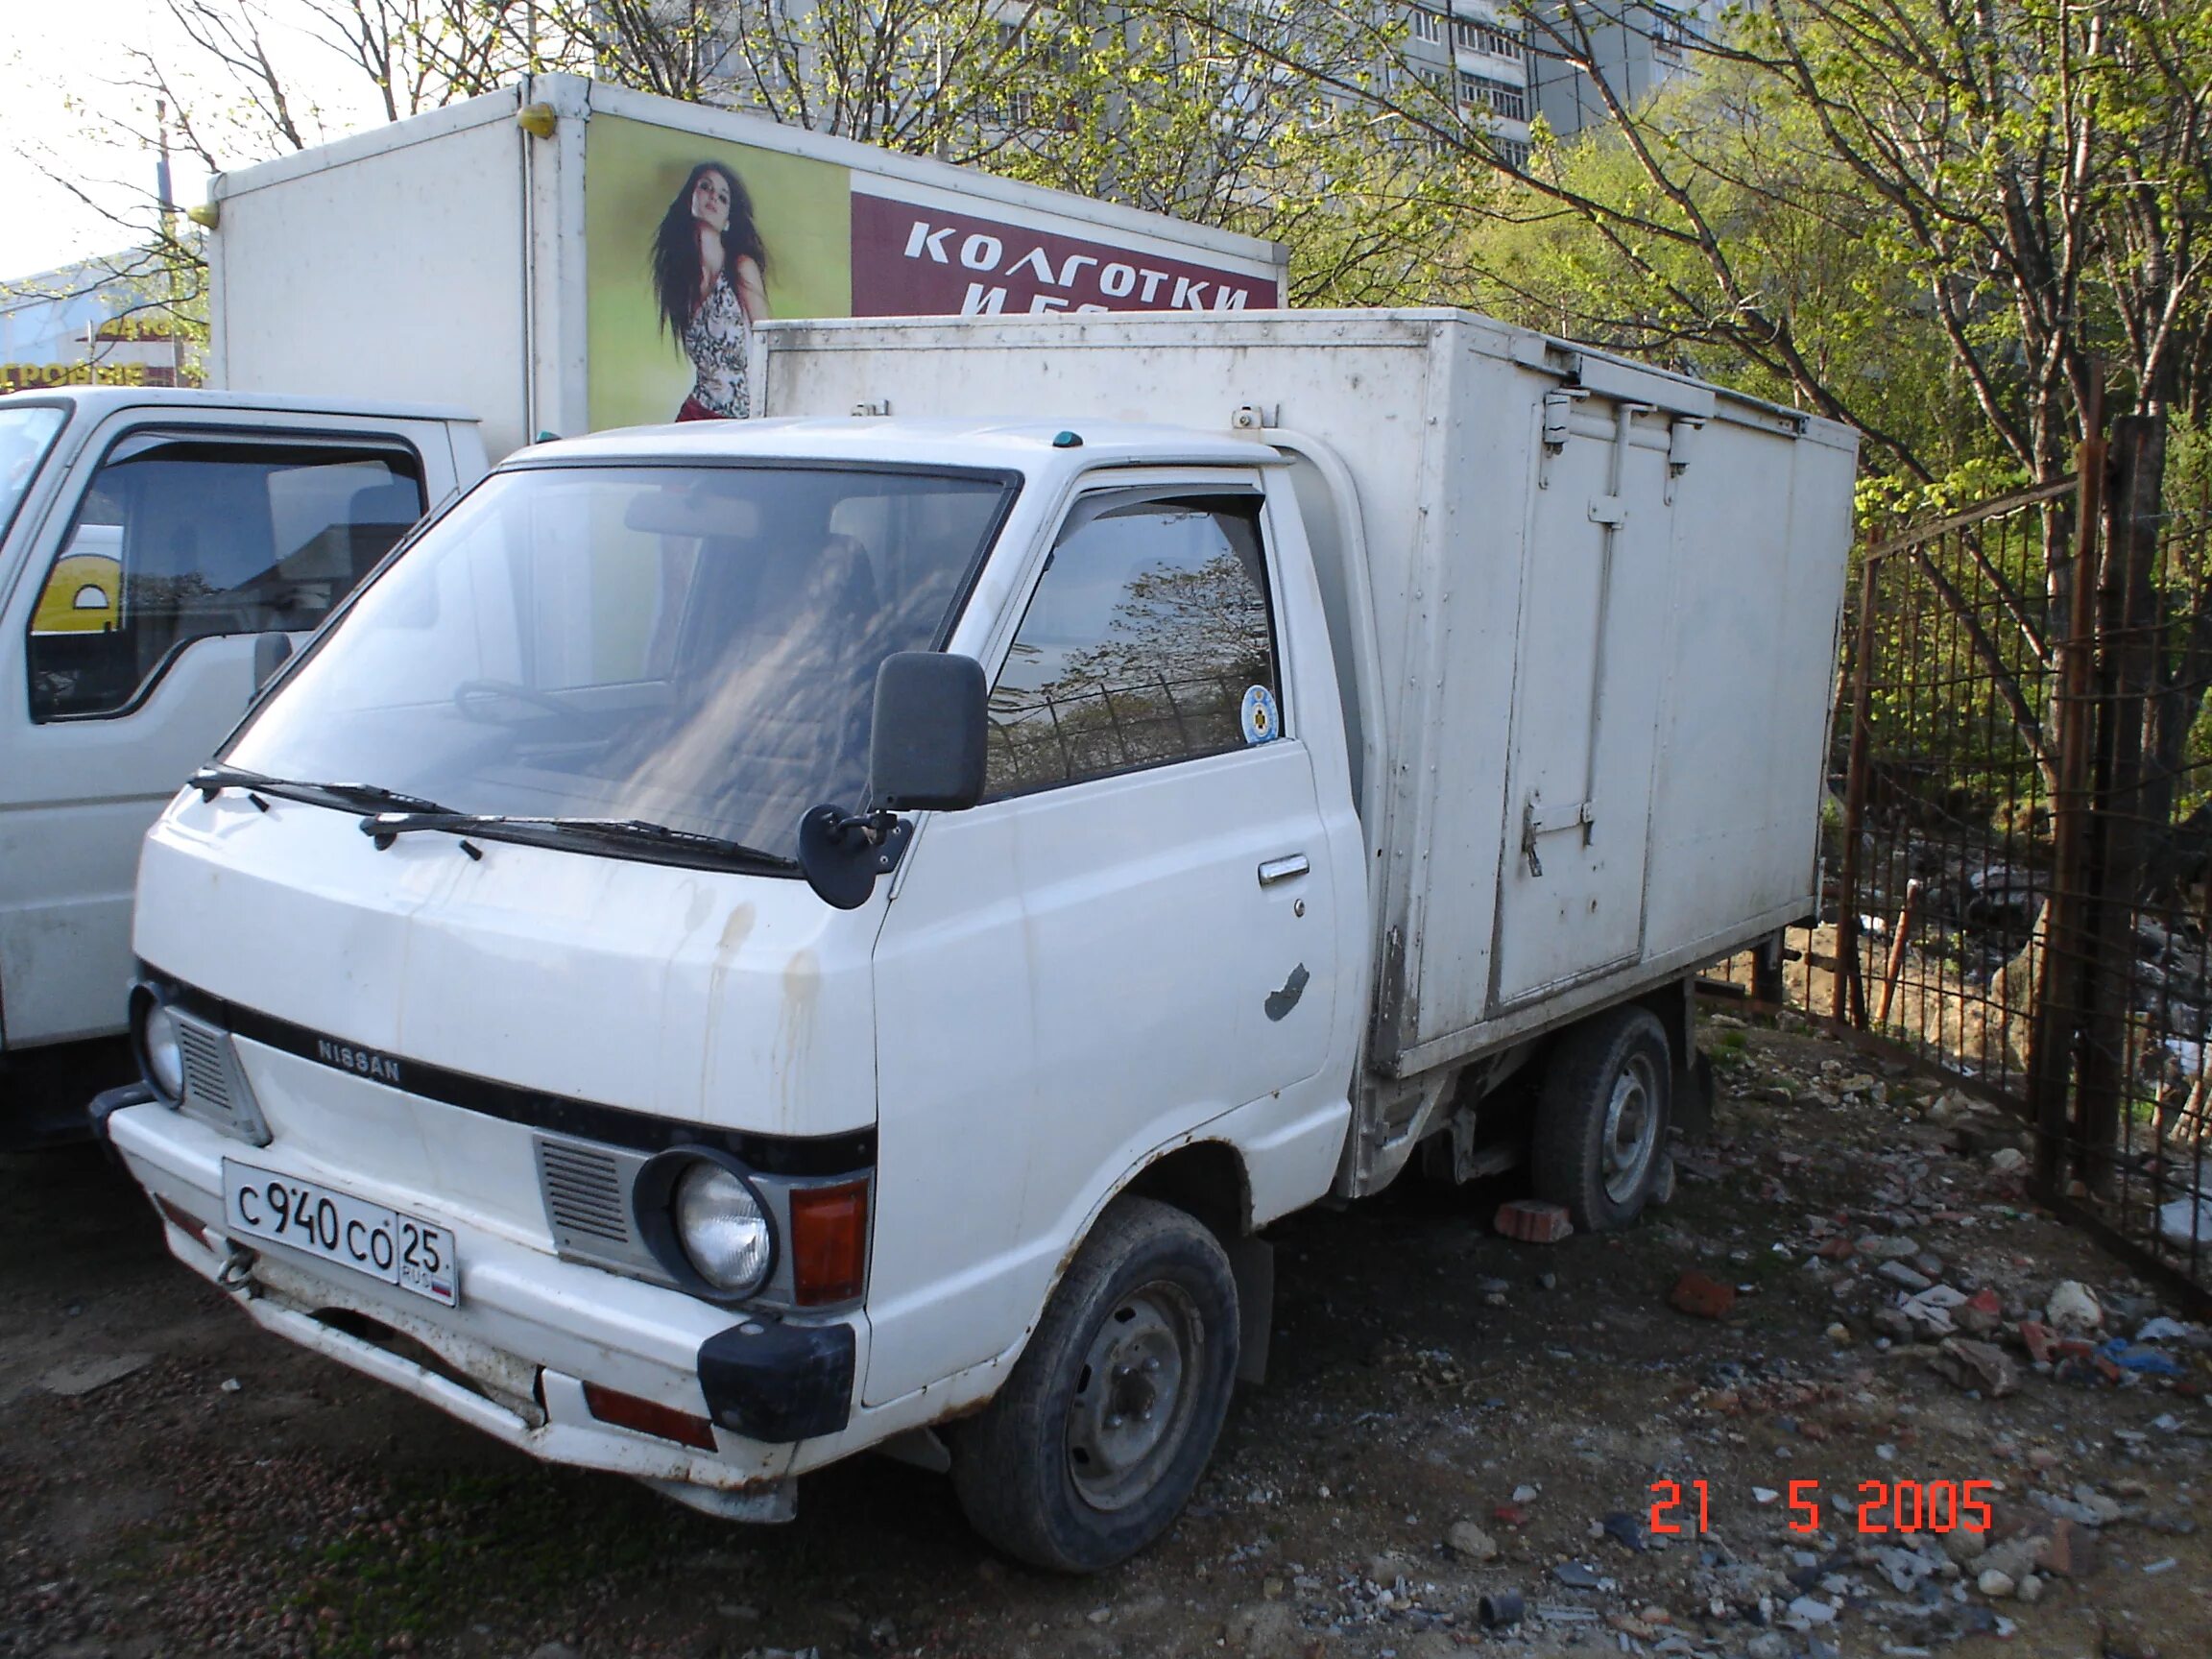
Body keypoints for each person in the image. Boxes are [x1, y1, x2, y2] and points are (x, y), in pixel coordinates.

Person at [651, 161, 772, 421]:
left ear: (728, 220)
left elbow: (769, 344)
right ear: (690, 199)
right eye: (705, 187)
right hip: (697, 413)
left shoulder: (741, 267)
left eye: (723, 197)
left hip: (740, 419)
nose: (713, 197)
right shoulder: (681, 277)